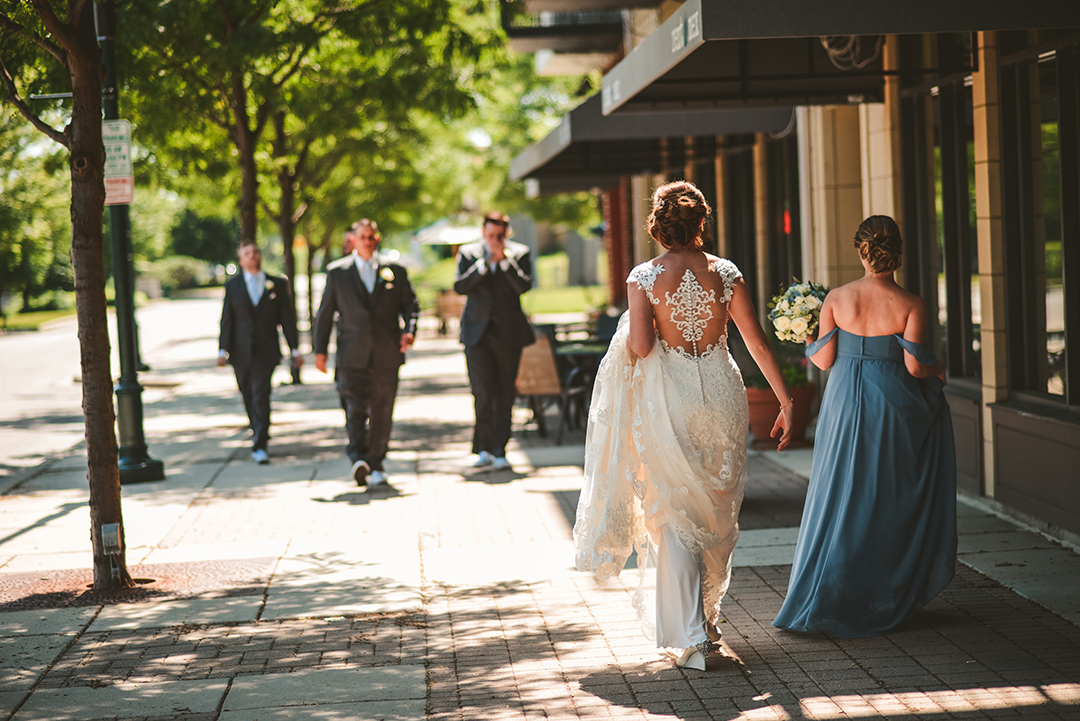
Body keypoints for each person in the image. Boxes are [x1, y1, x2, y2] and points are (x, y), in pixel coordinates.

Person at [573, 181, 793, 671]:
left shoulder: (643, 278)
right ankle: (707, 620)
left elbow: (644, 347)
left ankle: (694, 633)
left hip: (669, 400)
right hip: (721, 394)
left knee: (674, 509)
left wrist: (630, 329)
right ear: (701, 223)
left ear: (657, 225)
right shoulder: (727, 273)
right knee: (716, 509)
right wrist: (785, 400)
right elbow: (756, 342)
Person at [772, 215, 957, 638]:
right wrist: (939, 369)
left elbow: (821, 361)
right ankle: (877, 589)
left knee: (837, 489)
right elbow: (914, 364)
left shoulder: (837, 297)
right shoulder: (912, 303)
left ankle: (826, 591)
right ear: (898, 251)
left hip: (842, 403)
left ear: (862, 250)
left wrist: (805, 335)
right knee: (884, 492)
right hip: (890, 402)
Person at [314, 219, 419, 487]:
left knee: (383, 410)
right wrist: (320, 351)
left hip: (387, 354)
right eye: (363, 237)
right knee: (355, 408)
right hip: (352, 354)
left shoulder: (394, 270)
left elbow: (410, 304)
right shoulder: (338, 273)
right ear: (353, 240)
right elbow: (325, 315)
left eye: (372, 237)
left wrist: (409, 329)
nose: (368, 241)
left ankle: (377, 462)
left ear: (377, 238)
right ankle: (359, 458)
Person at [454, 212, 536, 471]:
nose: (495, 240)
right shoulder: (468, 254)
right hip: (477, 333)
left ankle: (500, 449)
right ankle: (482, 448)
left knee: (504, 391)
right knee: (482, 390)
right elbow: (460, 286)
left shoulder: (519, 253)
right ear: (483, 232)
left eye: (499, 235)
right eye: (490, 235)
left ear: (507, 233)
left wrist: (504, 263)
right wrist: (484, 265)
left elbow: (524, 286)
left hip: (508, 333)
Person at [218, 241, 303, 464]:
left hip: (266, 351)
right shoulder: (233, 286)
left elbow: (287, 318)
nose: (253, 256)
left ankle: (260, 443)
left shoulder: (276, 283)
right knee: (247, 394)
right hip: (240, 351)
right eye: (247, 253)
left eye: (255, 252)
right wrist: (222, 349)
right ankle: (257, 429)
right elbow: (227, 319)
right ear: (241, 260)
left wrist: (294, 349)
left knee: (261, 395)